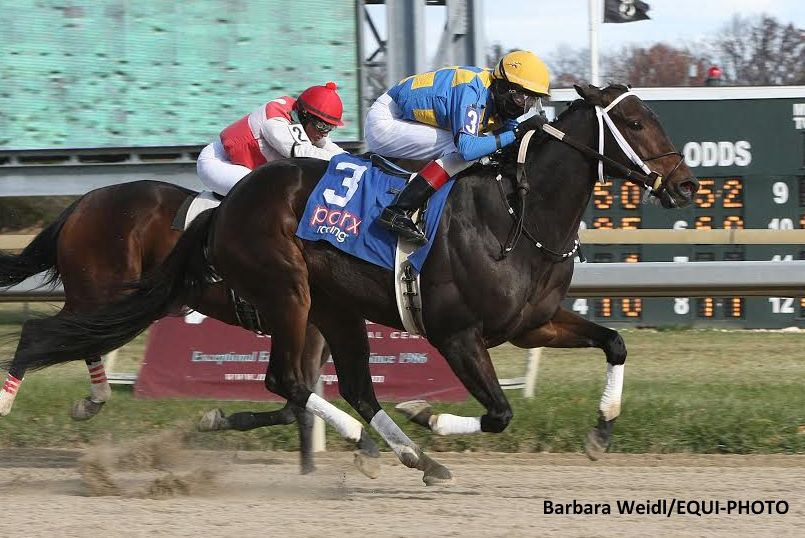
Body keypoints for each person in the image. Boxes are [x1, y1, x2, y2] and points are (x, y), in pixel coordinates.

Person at [364, 50, 551, 245]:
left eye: (532, 101)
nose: (524, 108)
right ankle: (399, 210)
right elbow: (467, 149)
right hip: (385, 120)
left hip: (404, 117)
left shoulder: (494, 91)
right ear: (505, 88)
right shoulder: (472, 91)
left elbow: (511, 134)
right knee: (459, 148)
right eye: (522, 98)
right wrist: (516, 133)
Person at [197, 82, 347, 196]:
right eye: (322, 126)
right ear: (305, 115)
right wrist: (345, 161)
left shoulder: (301, 117)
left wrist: (353, 160)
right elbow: (305, 154)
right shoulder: (275, 124)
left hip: (241, 164)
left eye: (330, 127)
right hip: (219, 162)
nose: (325, 134)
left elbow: (328, 147)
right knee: (267, 195)